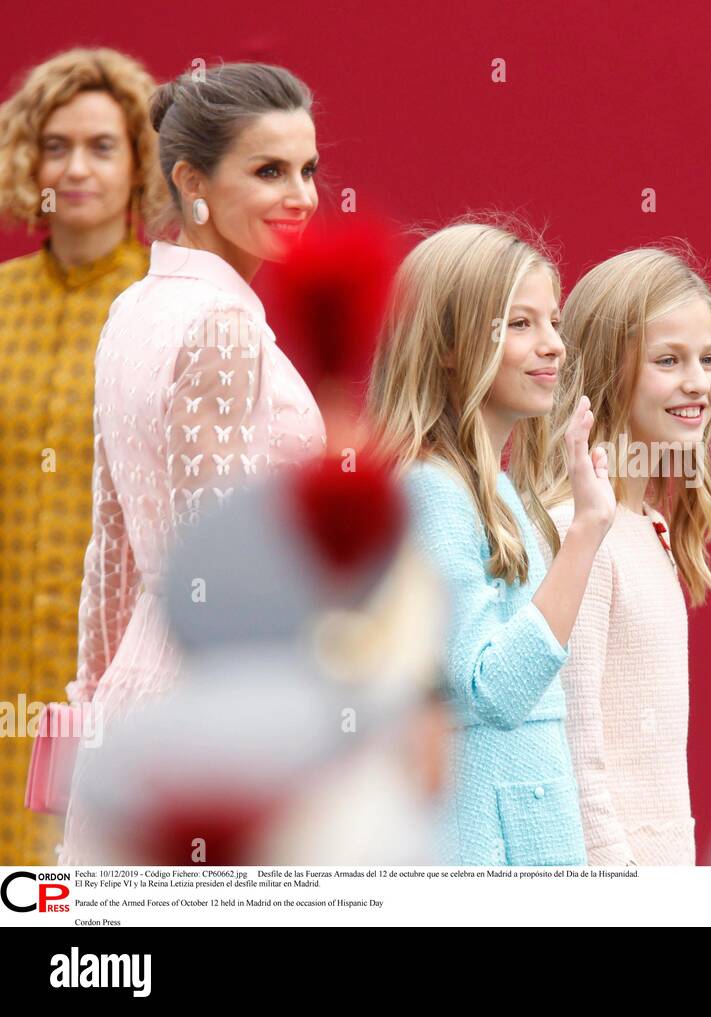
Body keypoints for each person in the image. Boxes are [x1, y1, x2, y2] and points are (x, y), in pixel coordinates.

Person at [58, 63, 328, 865]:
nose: (303, 195)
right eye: (269, 171)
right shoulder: (223, 328)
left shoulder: (132, 309)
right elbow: (223, 579)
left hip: (132, 706)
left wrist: (89, 709)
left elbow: (110, 550)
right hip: (216, 719)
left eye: (310, 170)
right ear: (190, 181)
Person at [366, 220, 615, 866]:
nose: (554, 345)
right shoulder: (431, 490)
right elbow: (493, 689)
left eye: (555, 322)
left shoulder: (496, 490)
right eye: (520, 324)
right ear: (447, 346)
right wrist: (585, 532)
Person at [0, 47, 164, 864]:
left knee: (87, 886)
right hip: (3, 658)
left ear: (141, 163)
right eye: (56, 145)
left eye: (103, 145)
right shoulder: (2, 302)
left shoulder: (163, 305)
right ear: (28, 160)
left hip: (108, 662)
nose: (76, 166)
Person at [542, 247, 711, 865]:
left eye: (708, 359)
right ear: (604, 371)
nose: (697, 382)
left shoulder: (644, 527)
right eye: (668, 361)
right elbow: (572, 740)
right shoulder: (580, 532)